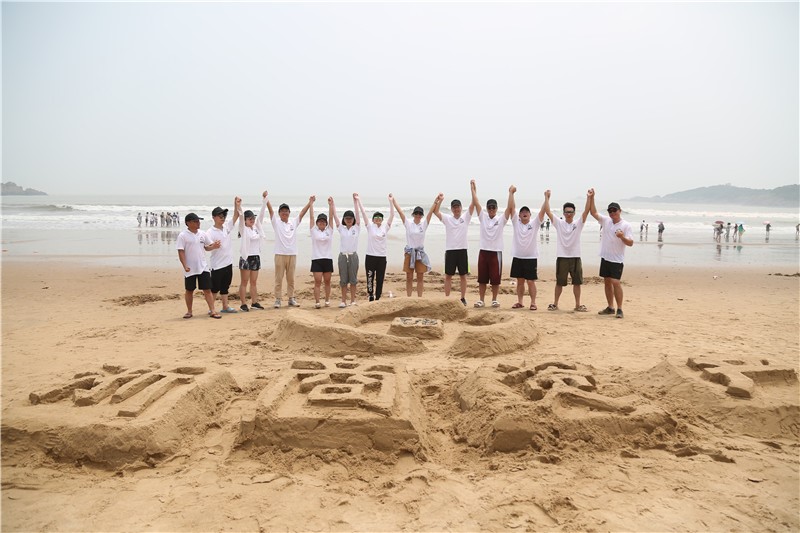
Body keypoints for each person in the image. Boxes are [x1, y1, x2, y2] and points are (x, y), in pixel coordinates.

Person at [589, 192, 633, 319]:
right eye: (610, 211)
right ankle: (610, 307)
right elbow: (593, 212)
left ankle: (620, 309)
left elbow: (630, 243)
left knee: (616, 282)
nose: (612, 213)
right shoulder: (606, 221)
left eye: (615, 210)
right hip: (605, 257)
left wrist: (622, 237)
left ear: (620, 211)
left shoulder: (626, 225)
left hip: (617, 259)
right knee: (607, 282)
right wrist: (592, 198)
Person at [545, 191, 591, 312]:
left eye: (571, 212)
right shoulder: (559, 223)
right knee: (559, 282)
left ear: (574, 213)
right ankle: (555, 304)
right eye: (566, 212)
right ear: (563, 213)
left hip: (575, 257)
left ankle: (577, 305)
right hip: (562, 257)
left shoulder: (578, 223)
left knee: (577, 282)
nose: (569, 214)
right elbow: (548, 212)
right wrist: (547, 198)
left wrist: (589, 197)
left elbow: (586, 211)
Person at [268, 195, 313, 308]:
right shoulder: (276, 223)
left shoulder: (293, 222)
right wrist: (266, 199)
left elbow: (302, 213)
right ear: (279, 213)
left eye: (286, 211)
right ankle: (278, 299)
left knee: (291, 278)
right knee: (278, 278)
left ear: (289, 212)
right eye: (282, 211)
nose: (284, 212)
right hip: (280, 254)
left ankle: (291, 298)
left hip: (292, 254)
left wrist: (310, 202)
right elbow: (270, 211)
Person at [471, 179, 508, 308]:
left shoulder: (501, 219)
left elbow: (510, 208)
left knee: (495, 279)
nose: (491, 209)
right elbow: (476, 203)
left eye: (493, 207)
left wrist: (511, 193)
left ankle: (494, 299)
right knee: (482, 278)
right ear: (487, 209)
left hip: (496, 252)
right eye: (489, 207)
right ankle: (481, 300)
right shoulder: (483, 217)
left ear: (497, 209)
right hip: (483, 251)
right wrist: (473, 189)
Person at [432, 192, 474, 306]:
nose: (456, 209)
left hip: (462, 250)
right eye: (454, 207)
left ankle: (463, 298)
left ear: (461, 208)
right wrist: (439, 200)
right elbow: (435, 211)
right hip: (450, 250)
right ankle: (447, 299)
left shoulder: (465, 217)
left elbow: (473, 205)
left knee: (463, 276)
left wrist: (472, 190)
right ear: (451, 209)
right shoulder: (447, 219)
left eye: (458, 207)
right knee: (448, 276)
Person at [507, 186, 545, 310]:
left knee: (530, 281)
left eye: (526, 212)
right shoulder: (516, 222)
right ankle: (520, 302)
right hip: (518, 257)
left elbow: (543, 211)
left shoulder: (534, 223)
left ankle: (533, 303)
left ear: (530, 214)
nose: (524, 213)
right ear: (519, 215)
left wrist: (546, 198)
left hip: (531, 257)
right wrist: (511, 193)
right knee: (520, 281)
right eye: (522, 212)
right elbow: (511, 208)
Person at [176, 213, 221, 319]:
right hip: (190, 268)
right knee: (189, 290)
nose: (198, 223)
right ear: (188, 223)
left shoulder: (202, 234)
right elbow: (181, 251)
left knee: (207, 290)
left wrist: (214, 246)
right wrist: (184, 265)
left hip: (203, 266)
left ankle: (212, 310)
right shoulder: (183, 235)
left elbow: (207, 247)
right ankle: (189, 311)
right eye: (195, 221)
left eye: (198, 221)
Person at [391, 194, 436, 297]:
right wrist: (393, 201)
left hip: (420, 254)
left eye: (420, 214)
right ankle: (409, 297)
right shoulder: (408, 224)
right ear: (413, 214)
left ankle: (419, 298)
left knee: (420, 277)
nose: (418, 215)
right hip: (409, 253)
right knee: (409, 277)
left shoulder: (423, 225)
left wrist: (436, 201)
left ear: (422, 216)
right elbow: (400, 212)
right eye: (416, 213)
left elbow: (430, 213)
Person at [357, 195, 395, 301]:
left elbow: (392, 215)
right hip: (370, 256)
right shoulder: (370, 227)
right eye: (376, 218)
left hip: (381, 257)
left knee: (380, 278)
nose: (378, 219)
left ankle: (378, 297)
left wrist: (391, 201)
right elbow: (363, 213)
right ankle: (370, 295)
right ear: (373, 220)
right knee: (370, 277)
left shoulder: (385, 228)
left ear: (382, 220)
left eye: (380, 218)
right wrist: (358, 200)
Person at [206, 199, 240, 313]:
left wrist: (236, 204)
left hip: (228, 262)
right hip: (217, 265)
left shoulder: (227, 227)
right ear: (214, 217)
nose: (222, 217)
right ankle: (211, 309)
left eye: (224, 215)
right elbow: (206, 247)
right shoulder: (210, 232)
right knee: (215, 288)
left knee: (225, 287)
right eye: (220, 216)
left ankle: (225, 307)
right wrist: (213, 246)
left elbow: (236, 215)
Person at [237, 192, 268, 311]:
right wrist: (239, 206)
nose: (252, 220)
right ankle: (243, 304)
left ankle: (254, 302)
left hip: (255, 257)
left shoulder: (256, 227)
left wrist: (265, 200)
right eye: (250, 218)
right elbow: (240, 217)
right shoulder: (243, 229)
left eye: (253, 218)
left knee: (254, 282)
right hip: (246, 257)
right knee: (244, 282)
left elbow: (262, 214)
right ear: (245, 220)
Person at [333, 194, 361, 308]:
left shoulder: (356, 228)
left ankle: (353, 300)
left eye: (350, 218)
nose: (349, 220)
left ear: (353, 220)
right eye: (347, 218)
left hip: (353, 256)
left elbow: (358, 213)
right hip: (343, 256)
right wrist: (332, 204)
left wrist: (355, 201)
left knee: (353, 280)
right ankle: (343, 301)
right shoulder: (341, 228)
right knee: (343, 280)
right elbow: (335, 216)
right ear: (344, 220)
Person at [307, 196, 335, 308]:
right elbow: (311, 217)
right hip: (317, 259)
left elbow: (331, 217)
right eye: (320, 221)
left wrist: (330, 205)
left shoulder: (329, 231)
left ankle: (327, 300)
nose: (322, 223)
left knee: (327, 281)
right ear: (317, 223)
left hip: (327, 258)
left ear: (326, 223)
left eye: (323, 221)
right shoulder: (314, 231)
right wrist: (311, 203)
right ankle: (317, 302)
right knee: (317, 282)